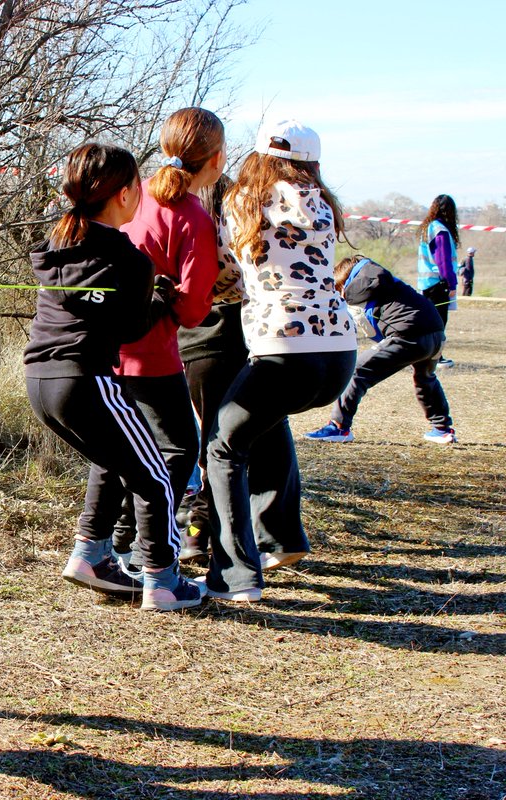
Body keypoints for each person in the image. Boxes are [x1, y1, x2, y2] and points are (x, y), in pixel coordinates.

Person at [26, 142, 203, 612]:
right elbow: (129, 329)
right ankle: (163, 582)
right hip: (87, 380)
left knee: (113, 460)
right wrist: (161, 298)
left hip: (40, 382)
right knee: (157, 477)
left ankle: (90, 556)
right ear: (124, 194)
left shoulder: (59, 243)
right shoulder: (129, 259)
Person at [61, 107, 225, 588]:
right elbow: (193, 310)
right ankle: (147, 553)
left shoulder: (133, 196)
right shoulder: (192, 216)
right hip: (152, 352)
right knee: (178, 449)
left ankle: (103, 545)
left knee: (116, 447)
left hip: (102, 348)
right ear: (216, 160)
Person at [197, 119, 357, 603]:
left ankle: (234, 576)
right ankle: (280, 538)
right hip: (339, 353)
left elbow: (225, 273)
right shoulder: (324, 205)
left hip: (285, 350)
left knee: (222, 447)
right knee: (262, 424)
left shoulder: (243, 201)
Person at [304, 255, 455, 444]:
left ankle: (339, 426)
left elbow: (370, 330)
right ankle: (442, 429)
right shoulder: (382, 278)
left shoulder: (354, 289)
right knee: (426, 378)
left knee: (357, 371)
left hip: (407, 335)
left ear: (343, 281)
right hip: (437, 334)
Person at [416, 194, 460, 368]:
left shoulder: (428, 227)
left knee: (429, 321)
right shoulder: (440, 230)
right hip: (437, 284)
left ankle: (426, 354)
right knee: (439, 322)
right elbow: (443, 261)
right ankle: (436, 357)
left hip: (426, 283)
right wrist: (451, 283)